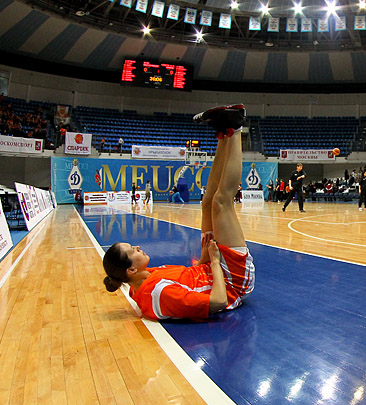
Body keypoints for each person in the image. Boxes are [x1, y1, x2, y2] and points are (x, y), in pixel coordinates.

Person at [102, 104, 254, 321]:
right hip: (232, 281)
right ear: (131, 271)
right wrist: (213, 261)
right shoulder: (158, 294)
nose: (137, 247)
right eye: (131, 250)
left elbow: (191, 278)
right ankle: (237, 127)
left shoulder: (145, 279)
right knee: (221, 202)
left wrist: (205, 259)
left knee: (207, 203)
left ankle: (223, 134)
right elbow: (219, 301)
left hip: (211, 269)